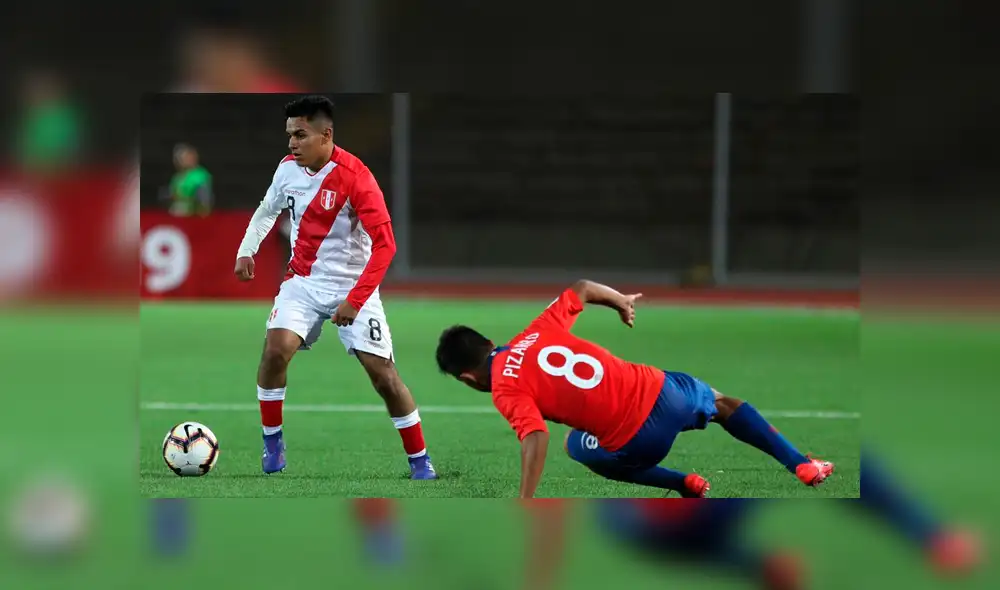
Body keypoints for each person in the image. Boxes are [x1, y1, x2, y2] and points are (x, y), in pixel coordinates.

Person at [435, 279, 832, 498]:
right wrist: (621, 301)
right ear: (490, 343)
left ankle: (682, 483)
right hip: (665, 392)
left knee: (575, 445)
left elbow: (536, 436)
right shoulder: (538, 330)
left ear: (468, 379)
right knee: (721, 402)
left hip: (639, 440)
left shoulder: (505, 387)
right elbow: (583, 287)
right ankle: (800, 463)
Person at [234, 95, 437, 480]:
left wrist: (355, 301)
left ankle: (420, 459)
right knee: (275, 351)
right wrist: (247, 250)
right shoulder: (287, 170)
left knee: (384, 375)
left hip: (352, 286)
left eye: (301, 135)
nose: (292, 143)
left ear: (326, 135)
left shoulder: (357, 178)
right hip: (302, 282)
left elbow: (386, 246)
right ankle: (273, 442)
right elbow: (267, 210)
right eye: (289, 135)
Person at [168, 144, 213, 217]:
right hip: (177, 212)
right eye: (186, 157)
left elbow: (204, 198)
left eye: (192, 157)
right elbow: (173, 195)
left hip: (193, 214)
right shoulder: (177, 177)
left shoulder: (201, 175)